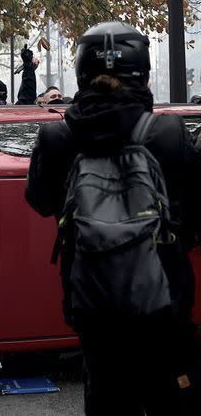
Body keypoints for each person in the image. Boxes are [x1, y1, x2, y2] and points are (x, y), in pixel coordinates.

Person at [26, 22, 199, 415]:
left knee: (105, 396)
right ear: (141, 71)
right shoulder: (167, 133)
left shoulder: (58, 138)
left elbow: (39, 200)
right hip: (164, 298)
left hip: (92, 299)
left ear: (82, 70)